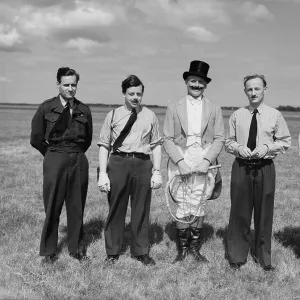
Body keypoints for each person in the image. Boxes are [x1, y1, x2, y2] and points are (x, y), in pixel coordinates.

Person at [225, 74, 291, 271]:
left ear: (265, 90)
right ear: (245, 91)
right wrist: (238, 148)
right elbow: (228, 141)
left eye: (257, 88)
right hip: (242, 167)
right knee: (239, 212)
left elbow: (285, 141)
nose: (253, 93)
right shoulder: (237, 115)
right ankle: (237, 255)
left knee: (264, 213)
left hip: (265, 168)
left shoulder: (275, 115)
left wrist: (268, 148)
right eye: (249, 89)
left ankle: (264, 257)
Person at [97, 75, 162, 266]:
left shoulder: (150, 115)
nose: (135, 97)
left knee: (141, 208)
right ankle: (112, 251)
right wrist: (102, 174)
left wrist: (157, 170)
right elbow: (104, 145)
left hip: (143, 163)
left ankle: (140, 251)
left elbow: (156, 144)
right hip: (119, 162)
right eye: (131, 93)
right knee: (116, 207)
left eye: (139, 94)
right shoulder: (113, 115)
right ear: (123, 93)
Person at [163, 60, 225, 263]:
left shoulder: (215, 108)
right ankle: (181, 249)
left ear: (205, 84)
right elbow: (167, 138)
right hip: (182, 157)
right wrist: (180, 162)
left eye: (200, 82)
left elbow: (219, 138)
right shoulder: (174, 106)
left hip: (204, 158)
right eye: (193, 81)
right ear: (186, 82)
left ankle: (194, 248)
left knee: (198, 201)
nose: (196, 85)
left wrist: (207, 160)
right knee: (183, 201)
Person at [30, 67, 93, 263]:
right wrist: (50, 154)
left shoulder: (84, 110)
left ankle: (76, 249)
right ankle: (49, 251)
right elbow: (36, 137)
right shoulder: (47, 108)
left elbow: (88, 139)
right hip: (55, 157)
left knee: (77, 206)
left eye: (74, 84)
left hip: (77, 158)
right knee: (53, 206)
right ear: (58, 84)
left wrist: (75, 153)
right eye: (66, 84)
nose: (70, 88)